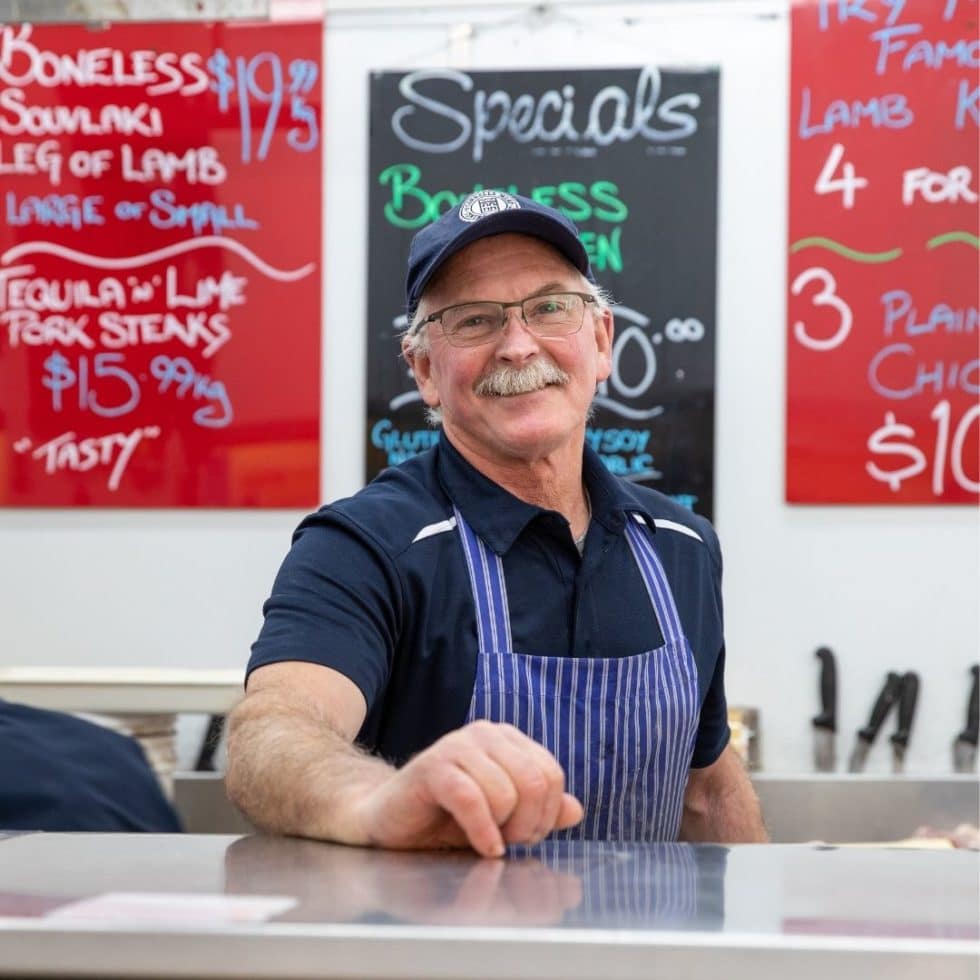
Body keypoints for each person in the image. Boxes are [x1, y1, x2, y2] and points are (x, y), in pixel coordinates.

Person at [226, 191, 767, 856]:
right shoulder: (365, 546)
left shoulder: (682, 546)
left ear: (600, 342)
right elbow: (274, 731)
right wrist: (371, 798)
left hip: (638, 959)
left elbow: (705, 788)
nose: (517, 346)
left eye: (549, 308)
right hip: (443, 955)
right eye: (474, 321)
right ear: (424, 369)